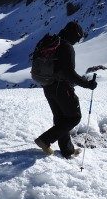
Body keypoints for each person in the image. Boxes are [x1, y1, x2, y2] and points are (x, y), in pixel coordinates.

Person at [34, 21, 97, 158]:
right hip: (61, 87)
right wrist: (87, 84)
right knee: (74, 117)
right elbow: (69, 73)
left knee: (61, 119)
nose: (77, 41)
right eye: (78, 38)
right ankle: (45, 140)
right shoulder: (66, 47)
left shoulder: (51, 42)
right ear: (75, 35)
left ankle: (67, 150)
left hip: (47, 86)